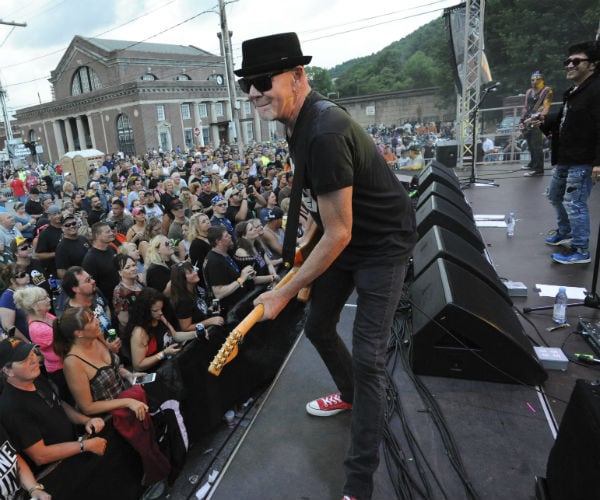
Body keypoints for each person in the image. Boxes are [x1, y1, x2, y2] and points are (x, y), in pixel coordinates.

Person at [236, 32, 417, 500]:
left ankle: (359, 484)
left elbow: (340, 232)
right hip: (349, 238)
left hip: (382, 244)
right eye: (246, 85)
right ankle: (350, 393)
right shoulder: (296, 122)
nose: (254, 92)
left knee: (370, 356)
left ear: (298, 76)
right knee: (317, 325)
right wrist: (298, 259)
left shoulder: (325, 130)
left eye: (262, 80)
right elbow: (325, 215)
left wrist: (281, 290)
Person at [535, 41, 600, 264]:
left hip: (583, 160)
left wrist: (598, 162)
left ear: (593, 65)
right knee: (555, 195)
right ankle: (566, 231)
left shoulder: (596, 90)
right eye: (568, 61)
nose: (569, 65)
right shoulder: (573, 91)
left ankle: (581, 250)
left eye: (576, 61)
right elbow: (563, 118)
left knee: (575, 202)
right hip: (566, 156)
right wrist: (541, 119)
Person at [203, 226, 256, 315]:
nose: (230, 236)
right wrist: (241, 279)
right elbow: (218, 293)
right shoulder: (214, 262)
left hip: (239, 304)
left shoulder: (225, 252)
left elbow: (230, 278)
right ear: (218, 241)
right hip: (230, 311)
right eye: (226, 236)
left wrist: (246, 276)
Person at [521, 70, 553, 177]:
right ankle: (532, 163)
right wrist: (522, 120)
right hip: (527, 120)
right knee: (529, 143)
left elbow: (546, 108)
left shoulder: (547, 90)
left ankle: (538, 169)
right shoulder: (529, 91)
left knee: (536, 145)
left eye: (537, 79)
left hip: (537, 120)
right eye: (532, 80)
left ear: (542, 80)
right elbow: (525, 106)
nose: (534, 82)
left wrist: (534, 118)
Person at [81, 222, 119, 304]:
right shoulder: (90, 259)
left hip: (118, 297)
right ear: (97, 236)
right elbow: (91, 286)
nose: (111, 233)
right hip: (106, 301)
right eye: (108, 232)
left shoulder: (111, 249)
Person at [0, 263, 31, 341]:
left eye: (26, 272)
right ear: (12, 280)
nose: (27, 275)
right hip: (27, 344)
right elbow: (9, 327)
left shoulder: (28, 289)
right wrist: (28, 344)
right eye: (22, 275)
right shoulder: (7, 297)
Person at [55, 213, 91, 279]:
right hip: (80, 282)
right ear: (62, 228)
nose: (71, 226)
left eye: (74, 223)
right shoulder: (62, 247)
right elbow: (61, 273)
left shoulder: (83, 238)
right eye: (67, 225)